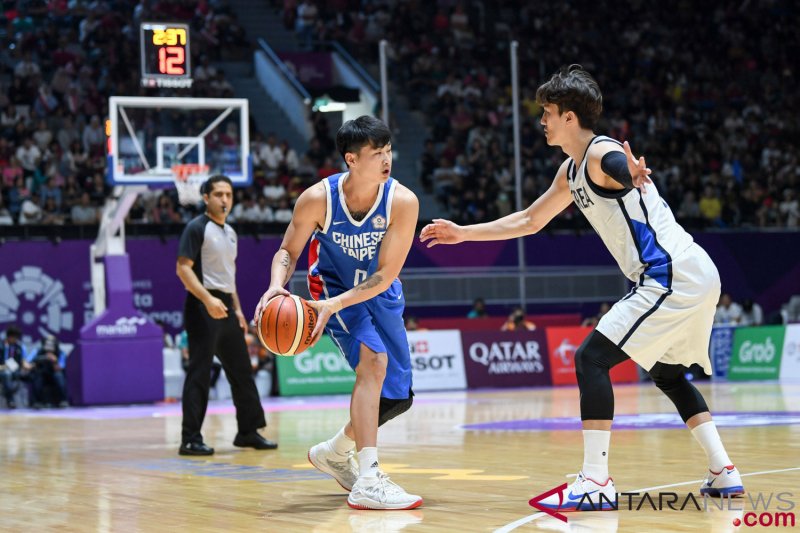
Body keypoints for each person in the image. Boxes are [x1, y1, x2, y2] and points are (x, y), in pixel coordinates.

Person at [420, 65, 743, 510]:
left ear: (570, 117)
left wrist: (630, 173)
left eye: (548, 112)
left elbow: (616, 166)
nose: (543, 121)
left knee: (590, 357)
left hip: (670, 273)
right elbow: (530, 220)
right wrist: (463, 233)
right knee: (666, 373)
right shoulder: (570, 172)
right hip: (690, 272)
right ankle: (723, 470)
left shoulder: (600, 153)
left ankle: (595, 479)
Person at [254, 116, 422, 510]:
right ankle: (369, 477)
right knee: (374, 362)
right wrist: (276, 284)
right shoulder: (317, 199)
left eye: (388, 151)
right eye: (377, 153)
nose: (387, 160)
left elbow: (385, 274)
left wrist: (336, 306)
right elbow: (287, 251)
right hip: (330, 288)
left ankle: (335, 451)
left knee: (398, 396)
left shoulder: (402, 201)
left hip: (379, 292)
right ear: (351, 158)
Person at [176, 175, 277, 456]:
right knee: (199, 371)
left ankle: (248, 431)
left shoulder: (230, 232)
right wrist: (207, 300)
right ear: (206, 198)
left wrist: (238, 310)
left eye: (229, 194)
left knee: (242, 371)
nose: (224, 199)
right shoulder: (196, 228)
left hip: (226, 307)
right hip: (201, 305)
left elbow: (228, 278)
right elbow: (183, 269)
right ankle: (190, 438)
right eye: (218, 194)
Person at [27, 335, 68, 407]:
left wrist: (55, 361)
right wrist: (39, 360)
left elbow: (61, 367)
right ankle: (37, 402)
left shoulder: (60, 353)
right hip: (41, 373)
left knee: (59, 376)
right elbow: (27, 363)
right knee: (37, 378)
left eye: (52, 343)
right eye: (47, 343)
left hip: (53, 373)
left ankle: (63, 400)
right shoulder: (37, 351)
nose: (49, 345)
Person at [1, 325, 30, 409]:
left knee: (31, 375)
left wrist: (27, 365)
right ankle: (10, 399)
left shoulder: (20, 347)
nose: (15, 340)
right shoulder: (1, 345)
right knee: (6, 374)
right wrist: (3, 367)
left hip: (15, 371)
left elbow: (23, 361)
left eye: (17, 338)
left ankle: (36, 401)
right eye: (14, 337)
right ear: (9, 336)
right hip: (2, 371)